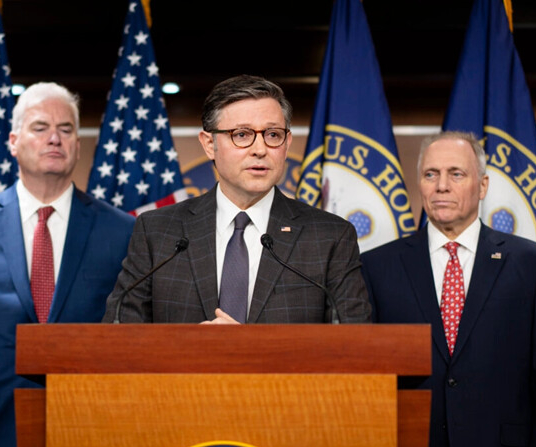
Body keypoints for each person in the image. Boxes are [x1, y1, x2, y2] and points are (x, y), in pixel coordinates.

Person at [0, 82, 135, 447]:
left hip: (87, 422)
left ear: (77, 146)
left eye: (66, 129)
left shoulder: (123, 230)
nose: (54, 138)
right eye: (40, 127)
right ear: (13, 141)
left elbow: (131, 333)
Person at [103, 74, 370, 324]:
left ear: (287, 144)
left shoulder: (330, 236)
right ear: (209, 144)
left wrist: (250, 349)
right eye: (242, 135)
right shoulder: (157, 231)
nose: (260, 149)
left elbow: (353, 344)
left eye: (273, 135)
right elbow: (120, 333)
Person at [361, 131, 536, 447]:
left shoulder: (532, 264)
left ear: (482, 185)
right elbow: (367, 379)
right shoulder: (377, 267)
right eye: (431, 174)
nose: (441, 185)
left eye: (456, 174)